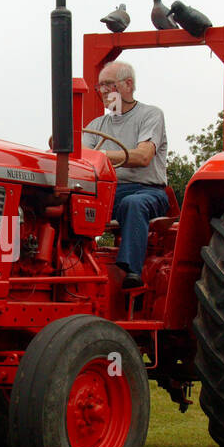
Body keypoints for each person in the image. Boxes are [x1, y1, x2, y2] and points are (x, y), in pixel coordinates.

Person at [81, 61, 168, 290]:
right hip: (110, 191)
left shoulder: (150, 115)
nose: (104, 92)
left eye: (110, 85)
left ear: (128, 85)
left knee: (133, 204)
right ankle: (79, 264)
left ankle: (132, 272)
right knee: (77, 202)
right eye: (101, 87)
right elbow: (80, 158)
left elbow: (143, 156)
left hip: (147, 191)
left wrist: (100, 156)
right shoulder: (95, 125)